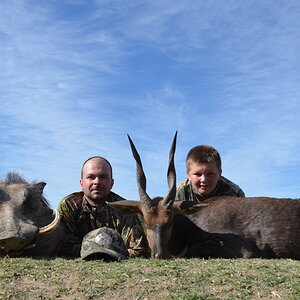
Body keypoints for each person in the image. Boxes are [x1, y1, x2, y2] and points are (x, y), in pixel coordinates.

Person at [58, 156, 150, 258]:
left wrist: (110, 254)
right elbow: (63, 246)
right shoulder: (68, 205)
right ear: (81, 183)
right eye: (91, 177)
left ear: (112, 183)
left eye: (103, 177)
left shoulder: (124, 208)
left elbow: (139, 250)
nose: (97, 182)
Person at [176, 145, 245, 202]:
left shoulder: (235, 193)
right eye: (198, 174)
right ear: (188, 175)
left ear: (219, 174)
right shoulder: (177, 194)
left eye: (210, 174)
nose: (204, 179)